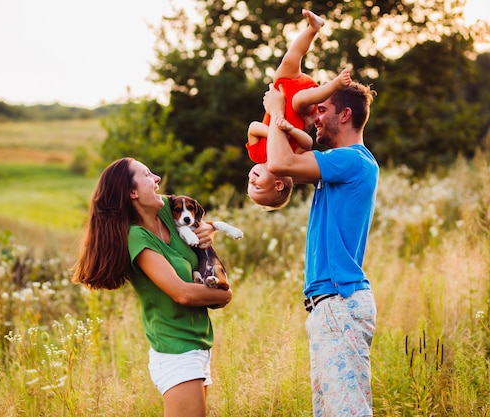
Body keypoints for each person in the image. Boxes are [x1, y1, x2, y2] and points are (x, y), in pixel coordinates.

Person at [72, 157, 233, 417]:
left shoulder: (168, 212)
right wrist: (224, 294)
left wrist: (209, 230)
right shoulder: (136, 236)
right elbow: (181, 293)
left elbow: (197, 221)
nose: (157, 178)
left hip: (199, 343)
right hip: (175, 349)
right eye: (147, 175)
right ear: (132, 192)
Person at [263, 79, 379, 416]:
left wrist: (274, 111)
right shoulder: (339, 165)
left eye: (322, 109)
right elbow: (285, 163)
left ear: (344, 115)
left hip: (339, 302)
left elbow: (281, 163)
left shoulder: (351, 161)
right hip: (328, 306)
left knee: (347, 411)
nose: (315, 116)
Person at [246, 9, 351, 209]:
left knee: (290, 59)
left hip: (283, 89)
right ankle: (334, 85)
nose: (251, 181)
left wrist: (273, 132)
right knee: (300, 100)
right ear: (278, 185)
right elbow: (307, 141)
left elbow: (252, 127)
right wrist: (289, 132)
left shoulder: (257, 155)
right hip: (300, 106)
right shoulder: (291, 157)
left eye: (248, 185)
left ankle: (313, 28)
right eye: (257, 188)